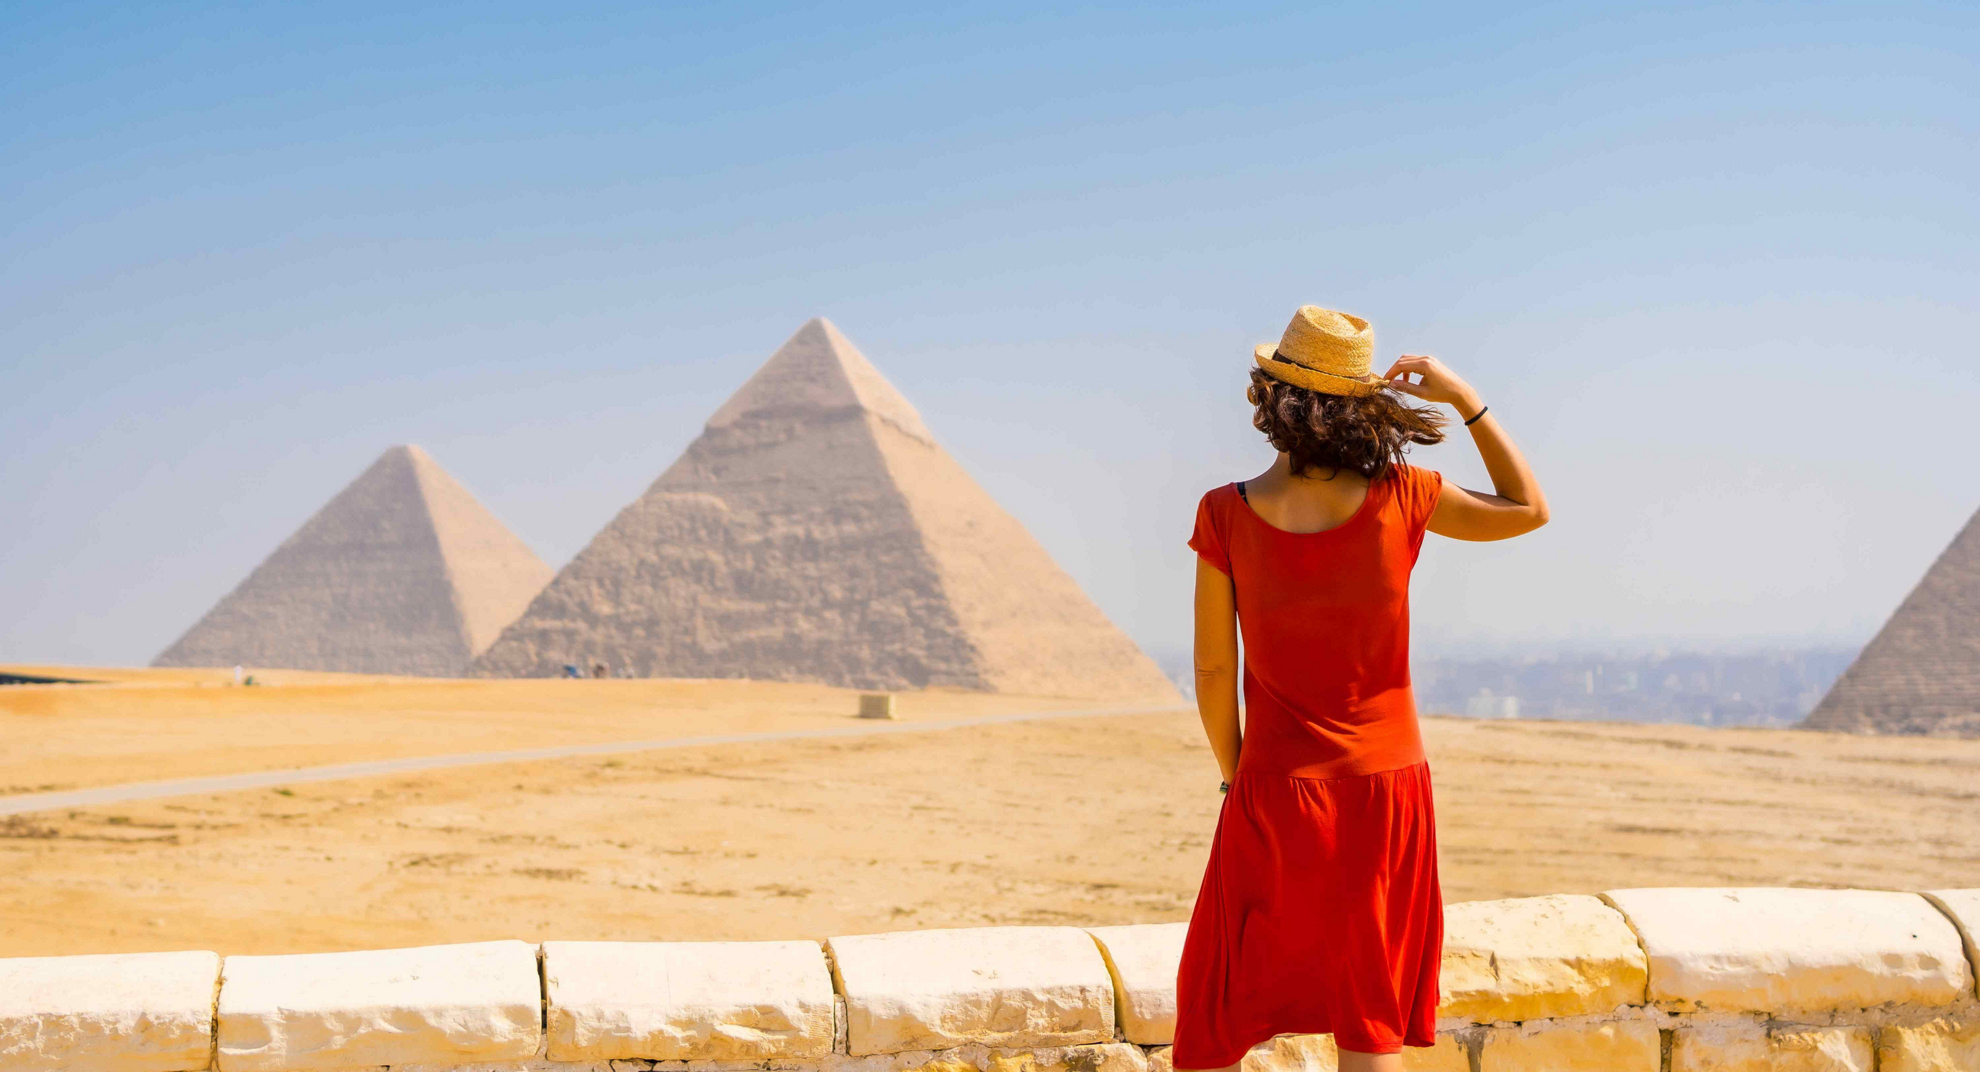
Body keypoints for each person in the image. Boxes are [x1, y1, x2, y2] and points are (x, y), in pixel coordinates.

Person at [1173, 306, 1549, 1072]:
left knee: (1221, 997)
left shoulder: (1224, 513)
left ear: (1269, 400)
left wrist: (1234, 773)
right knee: (1368, 1009)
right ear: (1362, 406)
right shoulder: (1405, 495)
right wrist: (1464, 398)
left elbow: (1214, 671)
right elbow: (1527, 510)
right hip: (1386, 788)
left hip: (1273, 783)